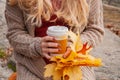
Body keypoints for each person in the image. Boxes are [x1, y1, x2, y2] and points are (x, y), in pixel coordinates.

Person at [5, 0, 104, 80]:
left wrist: (74, 44)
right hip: (32, 66)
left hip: (76, 64)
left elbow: (95, 30)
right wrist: (36, 46)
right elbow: (14, 33)